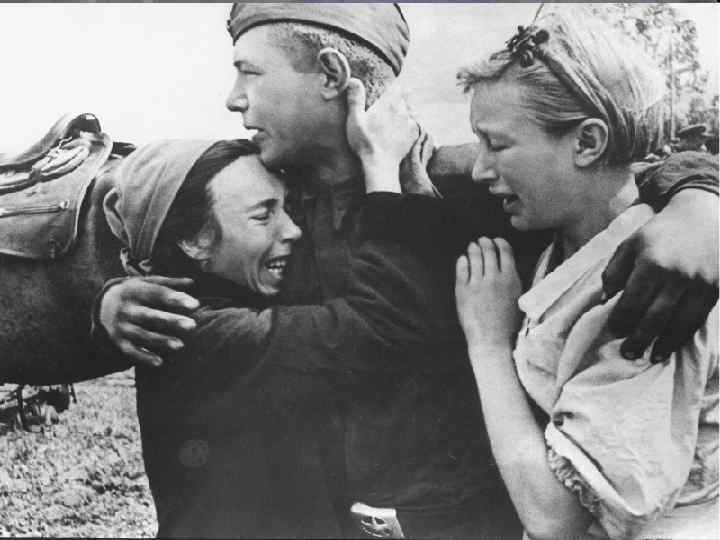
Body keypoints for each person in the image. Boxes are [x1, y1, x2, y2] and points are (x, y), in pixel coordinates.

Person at [98, 4, 719, 538]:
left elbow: (620, 176)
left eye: (250, 72)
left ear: (332, 76)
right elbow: (171, 254)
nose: (233, 98)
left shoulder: (462, 186)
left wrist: (700, 203)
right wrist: (109, 300)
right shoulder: (272, 206)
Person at [452, 8, 718, 539]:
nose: (480, 168)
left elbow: (557, 518)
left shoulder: (647, 278)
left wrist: (486, 341)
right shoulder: (572, 231)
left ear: (588, 143)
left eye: (497, 144)